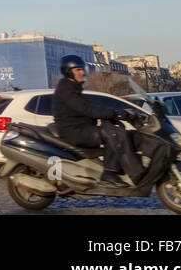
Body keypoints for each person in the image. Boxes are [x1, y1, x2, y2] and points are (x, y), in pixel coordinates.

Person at [52, 54, 143, 185]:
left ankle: (119, 168)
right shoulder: (66, 90)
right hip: (73, 131)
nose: (82, 72)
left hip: (81, 128)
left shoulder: (73, 87)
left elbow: (93, 106)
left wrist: (116, 111)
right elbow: (87, 109)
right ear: (68, 72)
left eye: (82, 69)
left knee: (115, 131)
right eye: (78, 70)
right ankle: (109, 173)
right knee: (112, 134)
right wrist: (115, 114)